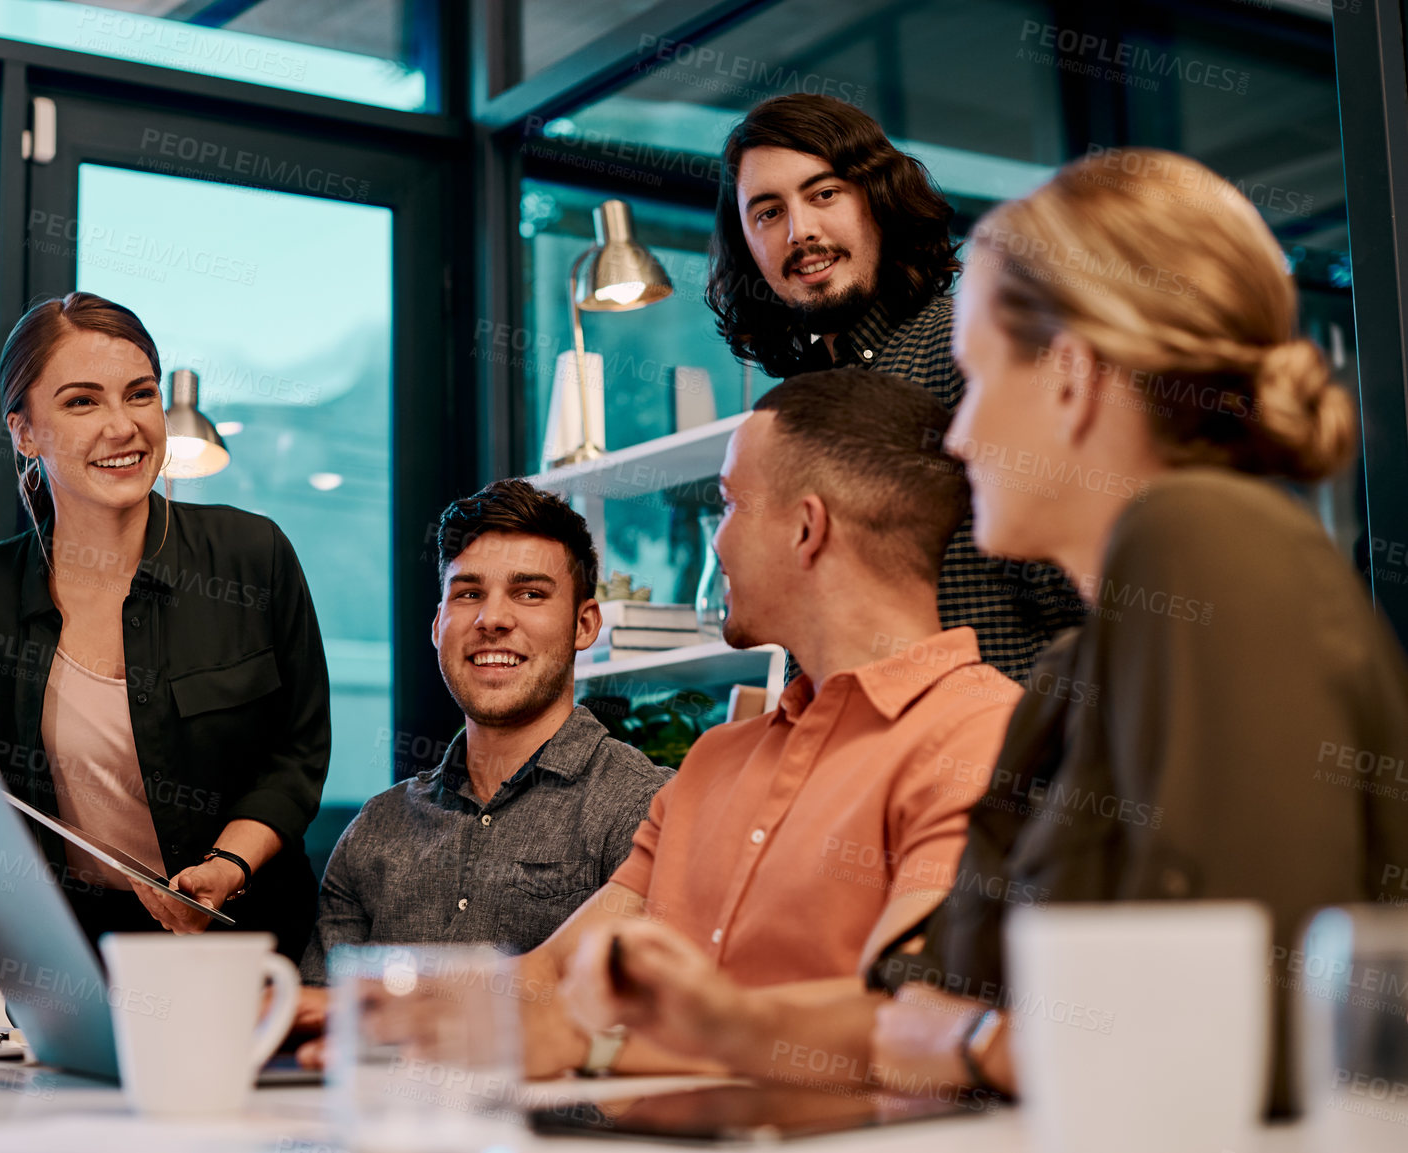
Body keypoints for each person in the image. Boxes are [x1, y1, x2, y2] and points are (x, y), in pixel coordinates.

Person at [558, 148, 1408, 1117]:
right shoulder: (1077, 670)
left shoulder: (1204, 540)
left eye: (973, 378)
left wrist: (967, 1040)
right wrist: (716, 1021)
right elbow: (915, 1014)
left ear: (1070, 378)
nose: (956, 441)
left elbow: (1215, 1037)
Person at [521, 369, 1023, 1078]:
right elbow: (547, 974)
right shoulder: (712, 761)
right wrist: (384, 1001)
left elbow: (906, 1020)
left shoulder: (982, 736)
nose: (715, 542)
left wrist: (599, 1046)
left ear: (805, 526)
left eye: (726, 505)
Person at [0, 292, 331, 961]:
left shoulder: (252, 557)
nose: (124, 426)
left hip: (251, 944)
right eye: (82, 401)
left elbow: (299, 751)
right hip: (74, 964)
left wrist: (228, 864)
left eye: (139, 394)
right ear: (25, 431)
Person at [708, 93, 1083, 681]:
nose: (800, 231)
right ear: (747, 244)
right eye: (768, 212)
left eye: (824, 194)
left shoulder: (973, 350)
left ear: (878, 199)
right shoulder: (784, 413)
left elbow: (1080, 601)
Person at [299, 479, 668, 981]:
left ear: (584, 625)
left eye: (530, 593)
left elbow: (649, 1021)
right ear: (437, 627)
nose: (492, 618)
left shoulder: (649, 809)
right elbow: (329, 1025)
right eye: (469, 593)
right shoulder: (375, 832)